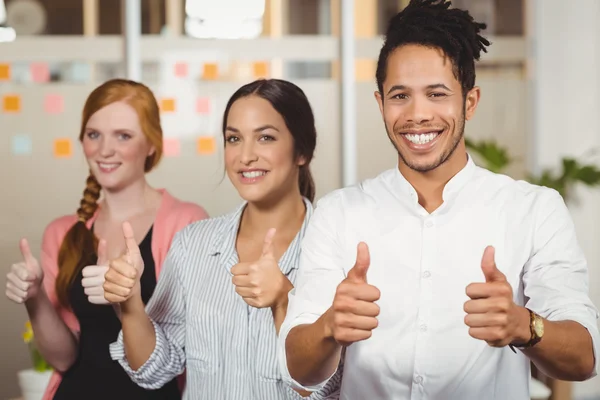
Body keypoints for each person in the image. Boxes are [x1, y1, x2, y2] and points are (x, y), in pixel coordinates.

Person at [278, 1, 599, 399]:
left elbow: (584, 359)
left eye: (437, 93)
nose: (418, 114)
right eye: (400, 96)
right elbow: (299, 369)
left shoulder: (532, 209)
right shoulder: (339, 213)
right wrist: (329, 327)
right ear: (380, 105)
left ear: (469, 102)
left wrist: (524, 325)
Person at [100, 78, 341, 399]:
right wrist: (130, 305)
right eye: (234, 139)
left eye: (265, 137)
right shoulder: (193, 245)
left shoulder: (335, 250)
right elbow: (153, 370)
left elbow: (329, 391)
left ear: (302, 151)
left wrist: (285, 299)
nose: (246, 156)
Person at [5, 78, 209, 400]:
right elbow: (63, 358)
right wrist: (35, 297)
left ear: (152, 144)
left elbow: (198, 348)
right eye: (94, 134)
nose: (104, 150)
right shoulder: (61, 233)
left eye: (123, 136)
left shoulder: (188, 223)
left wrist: (128, 302)